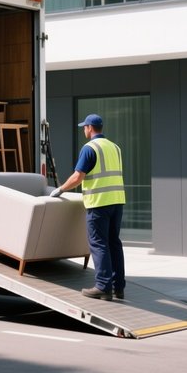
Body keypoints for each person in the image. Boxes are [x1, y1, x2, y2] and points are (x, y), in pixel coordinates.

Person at [50, 114, 126, 301]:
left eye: (84, 127)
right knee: (114, 243)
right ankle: (118, 287)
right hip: (117, 201)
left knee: (99, 244)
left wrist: (59, 189)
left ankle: (102, 286)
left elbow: (78, 177)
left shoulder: (89, 148)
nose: (84, 129)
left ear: (90, 128)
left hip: (99, 203)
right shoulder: (115, 147)